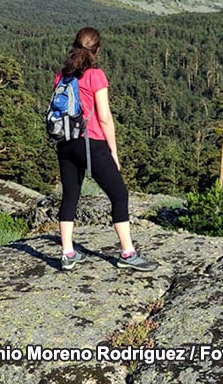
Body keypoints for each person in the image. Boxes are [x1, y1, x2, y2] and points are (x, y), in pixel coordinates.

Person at [54, 27, 158, 272]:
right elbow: (104, 117)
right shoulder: (96, 76)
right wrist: (113, 151)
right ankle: (127, 253)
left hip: (65, 142)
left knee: (70, 195)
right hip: (91, 143)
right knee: (119, 194)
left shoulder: (62, 75)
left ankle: (67, 254)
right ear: (97, 50)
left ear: (74, 46)